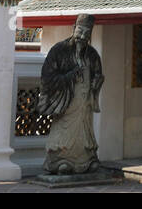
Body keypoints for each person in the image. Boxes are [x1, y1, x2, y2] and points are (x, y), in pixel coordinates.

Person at [40, 14, 105, 174]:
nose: (83, 37)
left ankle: (88, 160)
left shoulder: (92, 54)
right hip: (66, 101)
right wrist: (70, 77)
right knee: (64, 132)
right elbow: (47, 77)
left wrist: (97, 81)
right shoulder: (59, 51)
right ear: (73, 28)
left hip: (84, 102)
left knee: (85, 130)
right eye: (80, 31)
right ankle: (60, 161)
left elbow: (98, 73)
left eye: (87, 33)